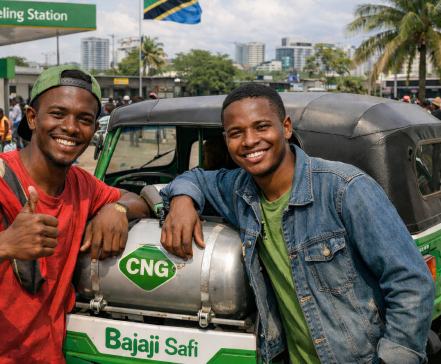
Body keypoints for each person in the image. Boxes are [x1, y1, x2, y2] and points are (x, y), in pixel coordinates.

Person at [159, 83, 435, 364]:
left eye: (262, 127)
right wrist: (182, 201)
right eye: (236, 133)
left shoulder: (344, 189)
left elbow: (411, 282)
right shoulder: (239, 190)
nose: (250, 141)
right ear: (226, 140)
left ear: (286, 127)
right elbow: (194, 179)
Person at [0, 65, 149, 363]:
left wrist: (117, 208)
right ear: (32, 118)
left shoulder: (83, 186)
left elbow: (137, 200)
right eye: (58, 114)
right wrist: (4, 245)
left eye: (84, 119)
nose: (71, 128)